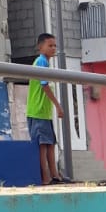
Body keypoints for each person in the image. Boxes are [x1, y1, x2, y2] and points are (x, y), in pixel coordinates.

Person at [26, 33, 65, 185]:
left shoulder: (45, 63)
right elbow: (45, 86)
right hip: (37, 111)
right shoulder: (41, 61)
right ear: (40, 47)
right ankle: (45, 177)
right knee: (42, 145)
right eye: (50, 45)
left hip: (44, 112)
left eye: (55, 45)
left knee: (50, 144)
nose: (53, 48)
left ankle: (55, 175)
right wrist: (58, 105)